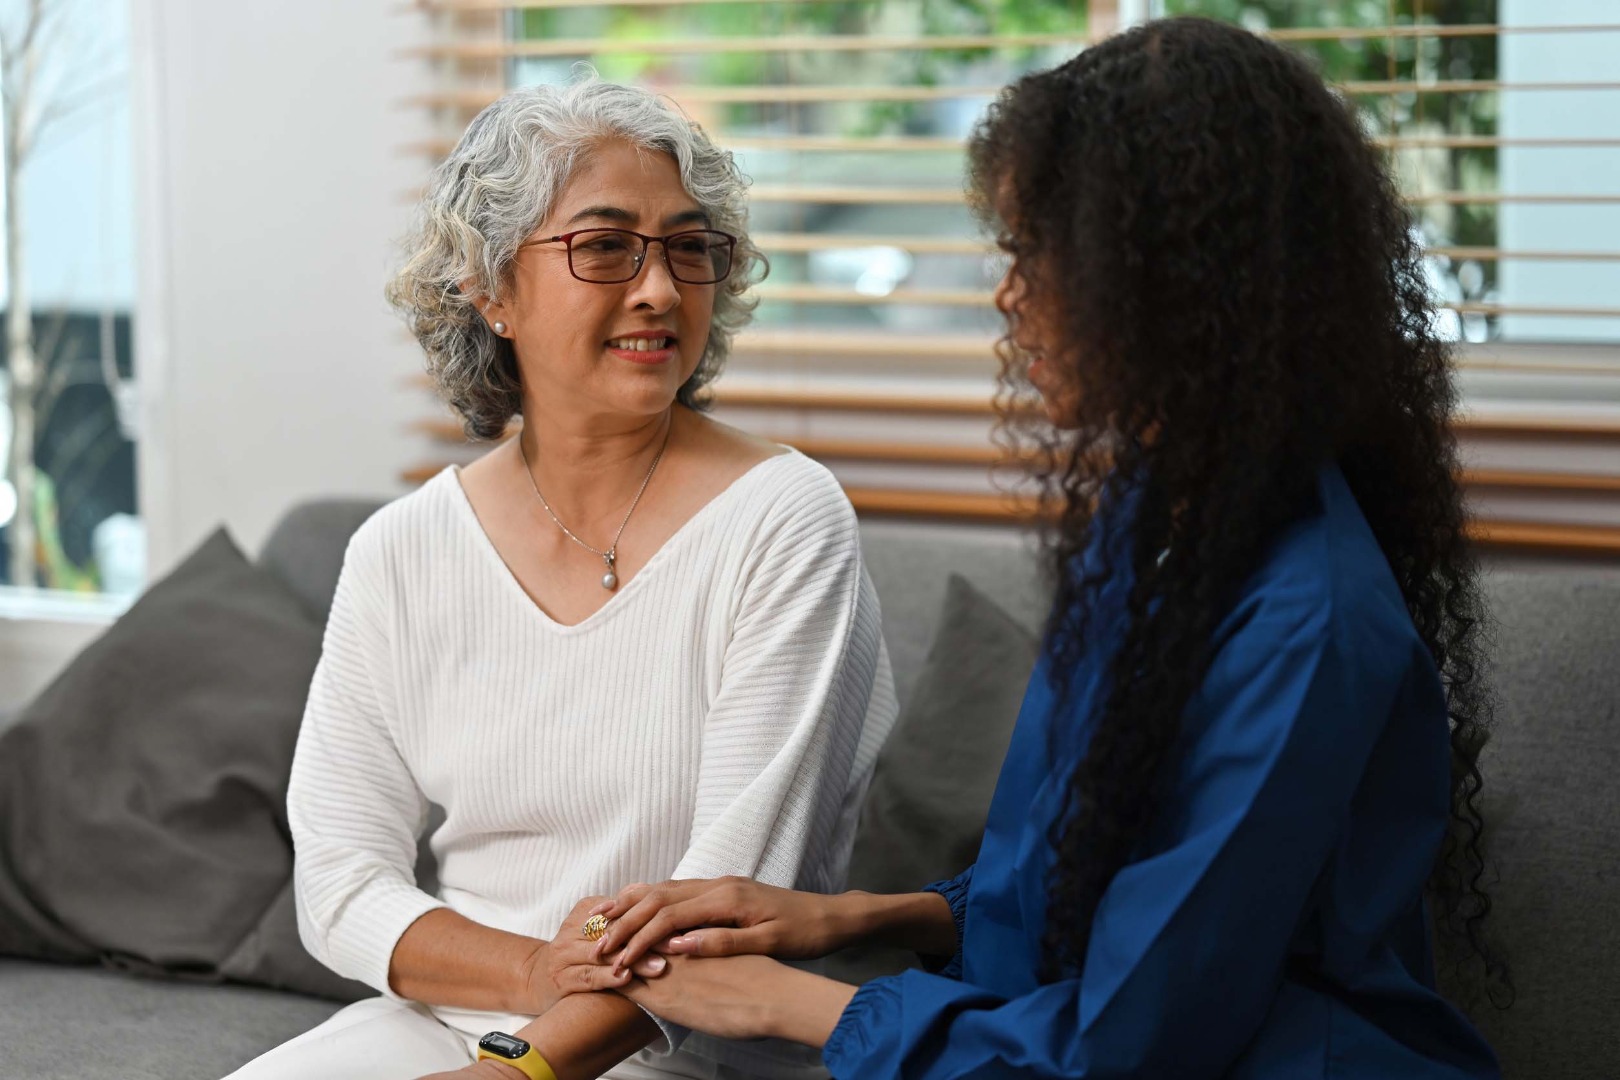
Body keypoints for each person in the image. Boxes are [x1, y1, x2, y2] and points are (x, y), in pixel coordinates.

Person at [574, 18, 1508, 1079]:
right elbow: (1083, 877)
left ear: (1175, 279)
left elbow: (1129, 1044)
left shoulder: (1308, 625)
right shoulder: (1156, 523)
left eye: (1035, 253)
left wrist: (797, 1006)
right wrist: (840, 919)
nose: (1008, 296)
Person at [224, 78, 897, 1080]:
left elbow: (730, 906)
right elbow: (340, 884)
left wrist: (518, 1071)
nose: (661, 288)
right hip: (464, 1015)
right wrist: (541, 973)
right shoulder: (401, 552)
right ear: (490, 287)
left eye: (687, 245)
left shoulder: (784, 519)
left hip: (679, 1053)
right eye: (606, 244)